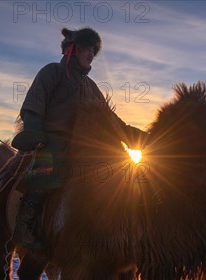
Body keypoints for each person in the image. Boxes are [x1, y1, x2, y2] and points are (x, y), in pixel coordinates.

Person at [11, 27, 144, 250]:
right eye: (85, 48)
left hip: (84, 144)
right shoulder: (51, 72)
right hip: (52, 139)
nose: (90, 54)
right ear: (72, 50)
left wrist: (137, 139)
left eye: (94, 50)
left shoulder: (91, 87)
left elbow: (111, 120)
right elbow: (34, 105)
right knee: (47, 171)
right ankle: (24, 228)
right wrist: (35, 134)